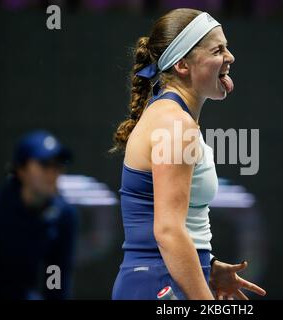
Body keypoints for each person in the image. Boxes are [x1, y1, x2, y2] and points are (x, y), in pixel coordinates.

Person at [110, 8, 266, 300]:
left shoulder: (172, 117)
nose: (230, 57)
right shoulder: (175, 124)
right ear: (182, 64)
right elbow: (168, 231)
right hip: (158, 284)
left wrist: (207, 266)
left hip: (157, 280)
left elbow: (168, 225)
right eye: (218, 50)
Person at [0, 130, 78, 299]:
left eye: (58, 165)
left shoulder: (63, 215)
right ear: (21, 169)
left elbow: (54, 272)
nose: (53, 172)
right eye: (45, 164)